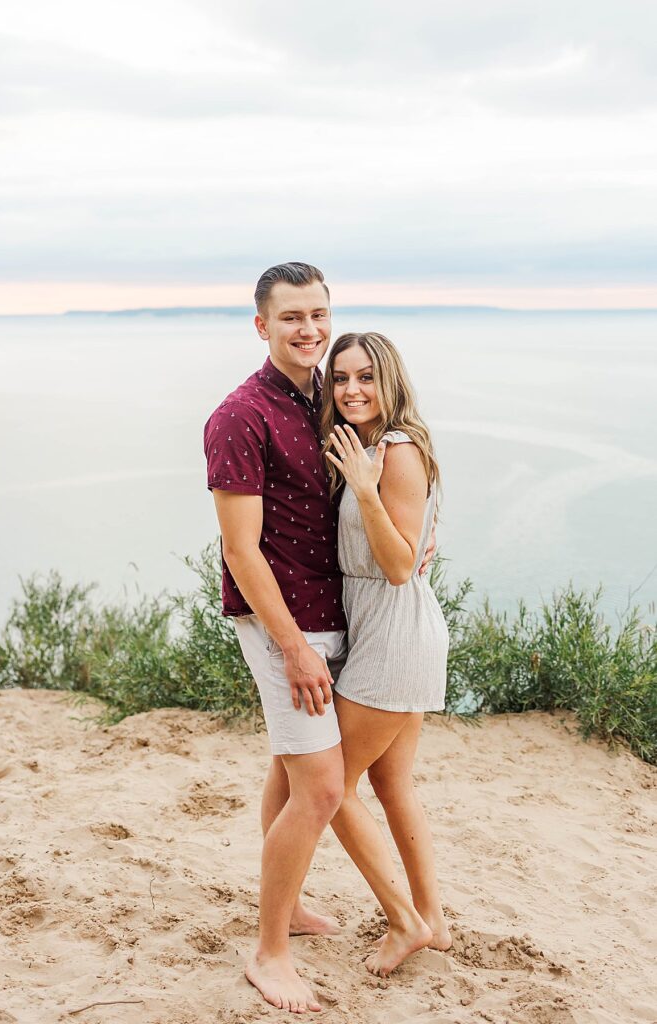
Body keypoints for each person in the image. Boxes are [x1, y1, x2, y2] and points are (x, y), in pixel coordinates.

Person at [204, 265, 436, 1012]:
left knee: (289, 775)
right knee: (326, 787)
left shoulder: (326, 399)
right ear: (261, 325)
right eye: (291, 317)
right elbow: (242, 551)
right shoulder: (239, 416)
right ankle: (268, 952)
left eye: (318, 315)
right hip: (285, 627)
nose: (307, 329)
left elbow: (386, 505)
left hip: (345, 620)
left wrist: (414, 539)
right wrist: (294, 648)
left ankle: (290, 908)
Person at [321, 331, 452, 977]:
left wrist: (365, 489)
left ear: (389, 380)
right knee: (391, 783)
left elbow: (399, 566)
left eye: (365, 377)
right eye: (340, 378)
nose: (351, 390)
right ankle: (432, 918)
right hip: (385, 627)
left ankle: (403, 922)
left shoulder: (394, 452)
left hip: (395, 631)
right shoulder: (367, 446)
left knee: (329, 788)